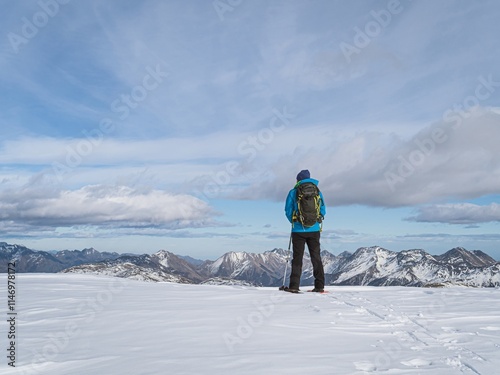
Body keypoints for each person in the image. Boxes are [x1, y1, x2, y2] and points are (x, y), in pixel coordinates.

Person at [284, 169, 326, 293]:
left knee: (298, 258)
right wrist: (315, 221)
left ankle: (294, 286)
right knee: (316, 257)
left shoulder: (293, 192)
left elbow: (287, 210)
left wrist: (295, 222)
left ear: (298, 180)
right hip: (314, 230)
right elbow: (323, 209)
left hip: (298, 230)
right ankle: (319, 286)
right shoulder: (317, 191)